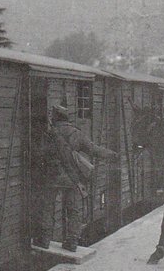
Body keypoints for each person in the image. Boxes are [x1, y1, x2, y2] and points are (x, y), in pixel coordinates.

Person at [34, 103, 119, 252]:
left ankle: (44, 239)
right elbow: (93, 149)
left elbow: (40, 153)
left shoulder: (49, 133)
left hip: (52, 176)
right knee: (73, 209)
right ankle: (72, 241)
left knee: (47, 208)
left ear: (55, 117)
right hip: (71, 177)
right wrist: (111, 154)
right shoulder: (76, 133)